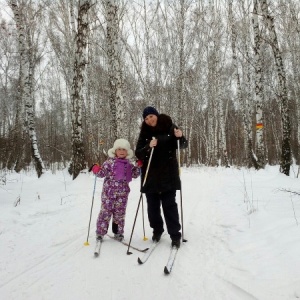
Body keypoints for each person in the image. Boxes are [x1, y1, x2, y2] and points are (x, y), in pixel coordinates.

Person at [135, 106, 188, 248]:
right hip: (150, 176)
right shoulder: (144, 133)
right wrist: (148, 146)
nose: (149, 120)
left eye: (151, 116)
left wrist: (180, 136)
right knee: (152, 208)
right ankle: (157, 230)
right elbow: (138, 153)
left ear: (156, 115)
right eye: (146, 118)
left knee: (169, 206)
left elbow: (182, 145)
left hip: (168, 175)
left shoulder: (169, 126)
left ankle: (175, 235)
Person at [92, 138, 140, 242]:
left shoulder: (129, 164)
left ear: (127, 152)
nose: (122, 151)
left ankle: (118, 232)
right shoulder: (109, 162)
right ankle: (100, 232)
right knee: (105, 212)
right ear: (115, 151)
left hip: (122, 194)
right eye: (119, 149)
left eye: (124, 149)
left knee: (120, 213)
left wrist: (138, 167)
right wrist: (96, 169)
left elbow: (135, 175)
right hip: (108, 193)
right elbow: (102, 173)